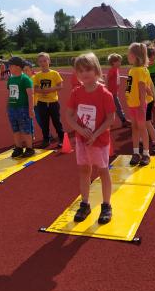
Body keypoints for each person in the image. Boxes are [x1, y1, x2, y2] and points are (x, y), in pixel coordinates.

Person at [65, 53, 115, 224]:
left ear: (96, 70)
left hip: (99, 141)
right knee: (84, 171)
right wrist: (80, 130)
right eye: (80, 71)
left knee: (103, 171)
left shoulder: (104, 94)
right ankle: (85, 203)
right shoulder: (76, 93)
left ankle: (106, 205)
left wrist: (96, 134)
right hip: (82, 141)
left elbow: (110, 118)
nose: (84, 74)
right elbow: (69, 116)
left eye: (88, 69)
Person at [125, 43, 153, 166]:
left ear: (135, 56)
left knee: (142, 128)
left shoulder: (140, 70)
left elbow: (142, 87)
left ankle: (146, 153)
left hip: (139, 106)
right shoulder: (132, 70)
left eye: (129, 53)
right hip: (132, 105)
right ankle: (136, 152)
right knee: (134, 128)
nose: (127, 56)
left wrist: (142, 105)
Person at [34, 52, 65, 148]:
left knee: (57, 121)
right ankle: (46, 139)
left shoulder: (54, 73)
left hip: (53, 103)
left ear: (49, 61)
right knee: (44, 122)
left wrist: (50, 89)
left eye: (45, 60)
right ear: (38, 63)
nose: (43, 63)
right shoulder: (37, 75)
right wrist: (41, 91)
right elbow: (35, 88)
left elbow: (60, 86)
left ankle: (62, 139)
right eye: (40, 61)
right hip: (41, 103)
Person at [7, 57, 35, 158]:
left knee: (25, 129)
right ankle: (18, 148)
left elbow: (30, 95)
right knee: (15, 129)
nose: (8, 67)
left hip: (23, 108)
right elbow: (9, 93)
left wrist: (31, 109)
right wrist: (8, 106)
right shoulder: (10, 78)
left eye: (11, 65)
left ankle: (29, 148)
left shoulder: (25, 79)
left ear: (18, 67)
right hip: (12, 108)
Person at [106, 53, 129, 127]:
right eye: (119, 61)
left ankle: (107, 121)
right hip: (111, 93)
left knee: (112, 107)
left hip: (114, 92)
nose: (120, 63)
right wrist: (106, 90)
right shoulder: (112, 70)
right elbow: (107, 79)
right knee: (117, 107)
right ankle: (123, 121)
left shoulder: (116, 69)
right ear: (113, 62)